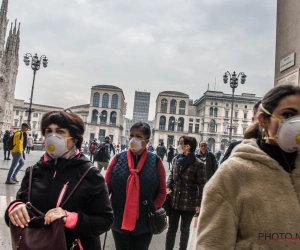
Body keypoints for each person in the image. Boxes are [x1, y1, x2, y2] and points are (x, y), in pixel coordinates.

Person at [196, 85, 300, 250]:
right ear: (263, 120)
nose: (296, 123)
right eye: (288, 115)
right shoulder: (232, 174)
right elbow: (212, 244)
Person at [5, 110, 114, 249]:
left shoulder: (90, 175)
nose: (52, 136)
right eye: (48, 131)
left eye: (60, 131)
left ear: (74, 139)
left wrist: (71, 218)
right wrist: (14, 208)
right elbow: (21, 201)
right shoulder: (34, 171)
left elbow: (105, 220)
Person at [105, 122, 166, 250]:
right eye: (131, 135)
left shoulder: (156, 162)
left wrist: (153, 207)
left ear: (147, 141)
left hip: (144, 224)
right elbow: (106, 188)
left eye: (138, 136)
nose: (133, 139)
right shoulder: (117, 159)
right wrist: (108, 208)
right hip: (118, 220)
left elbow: (162, 191)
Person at [165, 136, 206, 250]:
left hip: (189, 203)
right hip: (174, 201)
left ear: (188, 147)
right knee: (171, 229)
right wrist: (168, 185)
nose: (179, 146)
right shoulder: (176, 159)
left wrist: (199, 203)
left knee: (185, 229)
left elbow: (202, 185)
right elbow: (171, 176)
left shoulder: (198, 164)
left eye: (181, 144)